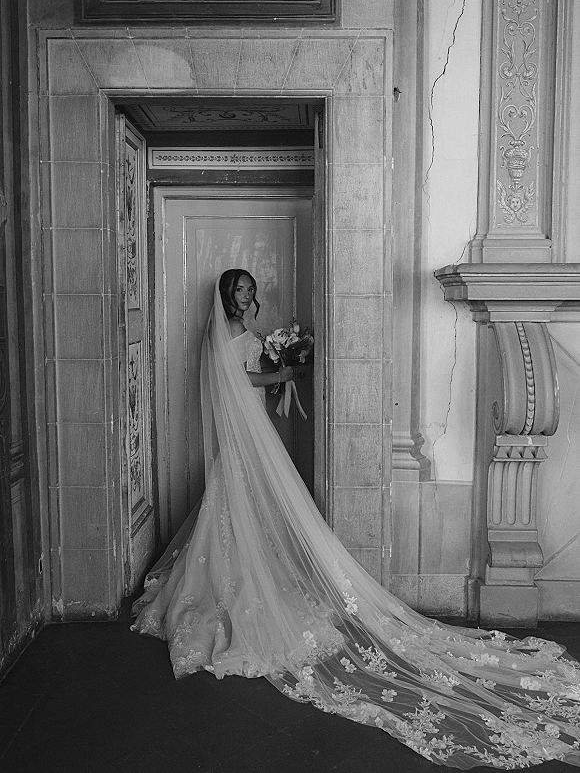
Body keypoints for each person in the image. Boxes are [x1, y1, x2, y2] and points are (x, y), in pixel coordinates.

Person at [132, 269, 580, 769]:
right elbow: (231, 380)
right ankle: (229, 585)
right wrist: (278, 375)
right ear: (226, 296)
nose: (248, 296)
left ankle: (251, 576)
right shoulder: (226, 334)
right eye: (241, 290)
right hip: (242, 437)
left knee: (251, 511)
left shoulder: (251, 333)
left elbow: (253, 382)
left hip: (257, 430)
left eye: (251, 289)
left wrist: (281, 367)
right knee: (233, 507)